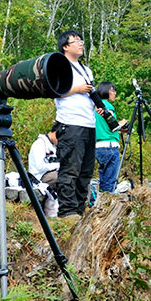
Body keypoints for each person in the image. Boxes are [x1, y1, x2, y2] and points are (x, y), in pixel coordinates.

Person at [53, 30, 96, 219]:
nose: (80, 44)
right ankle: (67, 211)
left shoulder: (87, 70)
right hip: (70, 123)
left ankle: (80, 208)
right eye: (76, 41)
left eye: (81, 40)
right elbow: (53, 90)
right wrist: (77, 89)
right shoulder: (59, 66)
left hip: (89, 123)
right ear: (65, 46)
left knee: (86, 171)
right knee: (70, 168)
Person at [94, 81, 126, 192]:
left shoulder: (94, 106)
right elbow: (113, 125)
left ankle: (101, 204)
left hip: (99, 146)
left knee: (103, 179)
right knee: (110, 181)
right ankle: (108, 206)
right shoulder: (107, 106)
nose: (115, 93)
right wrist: (121, 124)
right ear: (106, 91)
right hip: (110, 146)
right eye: (113, 90)